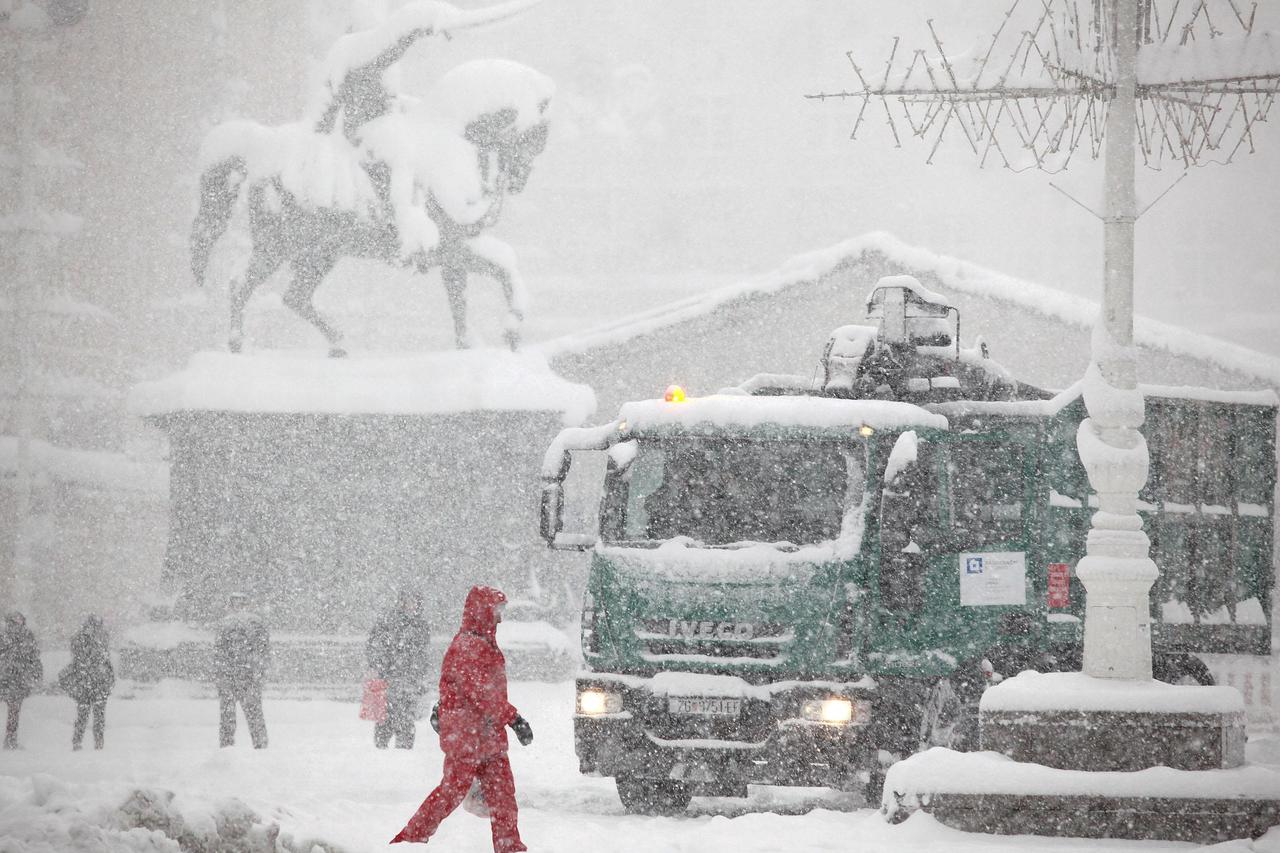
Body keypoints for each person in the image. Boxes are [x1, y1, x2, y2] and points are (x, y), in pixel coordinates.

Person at [391, 586, 533, 852]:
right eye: (497, 611)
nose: (500, 618)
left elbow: (475, 691)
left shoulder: (481, 643)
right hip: (467, 736)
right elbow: (481, 694)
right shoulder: (468, 646)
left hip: (485, 735)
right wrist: (514, 719)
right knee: (451, 792)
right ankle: (409, 840)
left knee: (502, 797)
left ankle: (510, 847)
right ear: (483, 612)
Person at [366, 588, 433, 749]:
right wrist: (380, 666)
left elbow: (422, 653)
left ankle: (401, 747)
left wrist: (420, 673)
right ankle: (383, 747)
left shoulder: (420, 625)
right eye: (408, 600)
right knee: (388, 714)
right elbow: (374, 646)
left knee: (405, 715)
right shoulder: (390, 622)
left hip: (409, 677)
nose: (411, 605)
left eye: (413, 601)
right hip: (392, 676)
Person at [214, 592, 270, 749]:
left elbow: (219, 652)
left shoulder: (225, 624)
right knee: (254, 716)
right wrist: (259, 671)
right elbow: (264, 651)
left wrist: (221, 675)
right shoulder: (257, 622)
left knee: (228, 718)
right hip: (248, 676)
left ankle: (226, 749)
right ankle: (261, 747)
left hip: (232, 676)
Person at [59, 615, 115, 750]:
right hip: (91, 683)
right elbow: (93, 660)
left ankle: (86, 741)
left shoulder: (93, 639)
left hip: (90, 683)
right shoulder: (89, 640)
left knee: (88, 714)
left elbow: (102, 662)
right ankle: (91, 742)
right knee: (91, 715)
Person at [0, 611, 41, 749]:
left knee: (14, 710)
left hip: (9, 678)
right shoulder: (26, 636)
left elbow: (34, 657)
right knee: (14, 710)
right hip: (16, 679)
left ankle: (10, 739)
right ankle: (10, 739)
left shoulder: (5, 636)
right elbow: (34, 657)